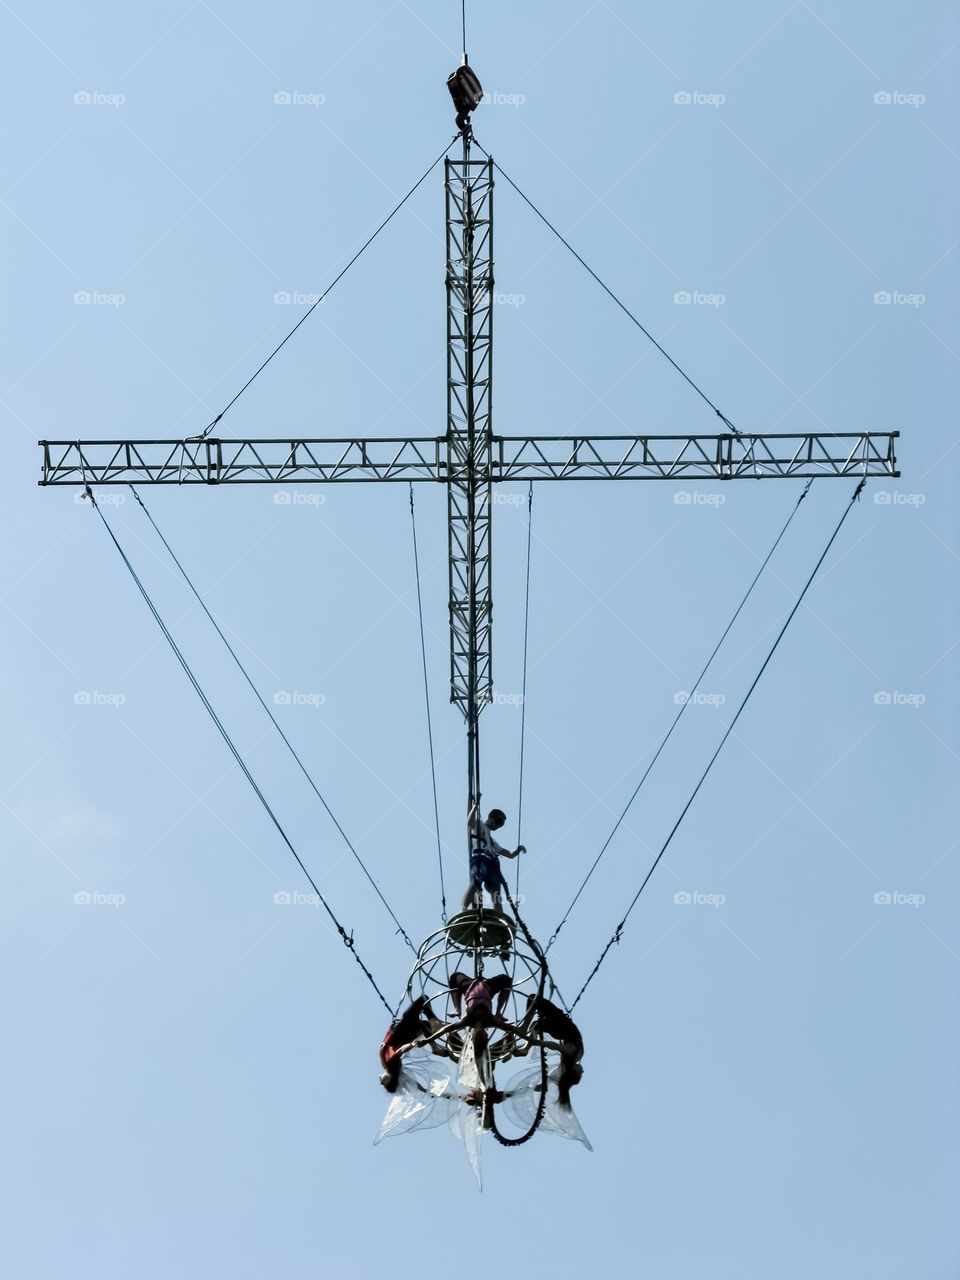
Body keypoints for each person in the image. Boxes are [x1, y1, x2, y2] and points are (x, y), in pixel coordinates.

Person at [462, 803, 525, 911]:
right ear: (491, 817)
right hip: (480, 858)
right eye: (498, 822)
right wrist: (476, 805)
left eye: (501, 825)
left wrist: (518, 849)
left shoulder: (492, 841)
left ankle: (499, 915)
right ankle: (464, 908)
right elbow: (469, 822)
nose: (498, 826)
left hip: (492, 863)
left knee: (496, 891)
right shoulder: (478, 825)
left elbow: (509, 854)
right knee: (477, 879)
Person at [527, 994, 585, 1108]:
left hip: (559, 1023)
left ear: (574, 1070)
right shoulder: (567, 1064)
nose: (583, 1071)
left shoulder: (574, 1054)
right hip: (557, 1029)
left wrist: (538, 1043)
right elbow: (553, 1078)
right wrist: (544, 1085)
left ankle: (525, 1038)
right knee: (536, 1025)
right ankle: (527, 1042)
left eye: (580, 1073)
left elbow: (554, 1046)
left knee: (533, 998)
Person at [378, 996, 437, 1093]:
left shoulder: (397, 1071)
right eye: (383, 1083)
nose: (380, 1081)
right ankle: (434, 1040)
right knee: (423, 998)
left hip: (407, 1035)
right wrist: (412, 1045)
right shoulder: (388, 1063)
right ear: (388, 1079)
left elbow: (413, 1083)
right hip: (402, 1032)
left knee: (425, 1025)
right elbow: (400, 1051)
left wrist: (425, 1091)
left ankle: (434, 1040)